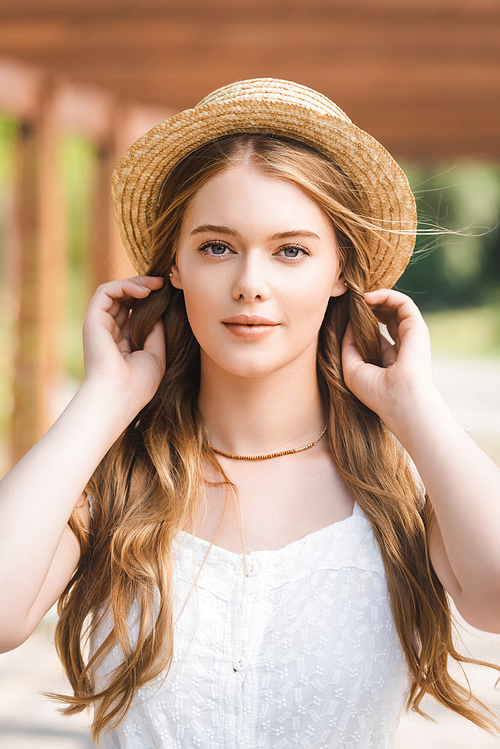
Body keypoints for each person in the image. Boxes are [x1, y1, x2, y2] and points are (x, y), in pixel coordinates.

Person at [1, 78, 500, 749]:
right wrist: (103, 398)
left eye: (291, 249)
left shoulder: (399, 486)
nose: (250, 282)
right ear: (174, 264)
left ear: (341, 270)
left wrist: (414, 405)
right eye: (216, 246)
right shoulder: (116, 480)